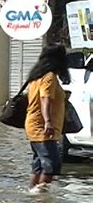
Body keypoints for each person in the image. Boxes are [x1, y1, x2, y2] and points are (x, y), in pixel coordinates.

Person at [24, 43, 70, 190]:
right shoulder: (49, 77)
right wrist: (48, 122)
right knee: (52, 164)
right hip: (42, 127)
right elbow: (46, 99)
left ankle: (32, 193)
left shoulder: (37, 76)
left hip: (34, 125)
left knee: (39, 163)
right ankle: (40, 197)